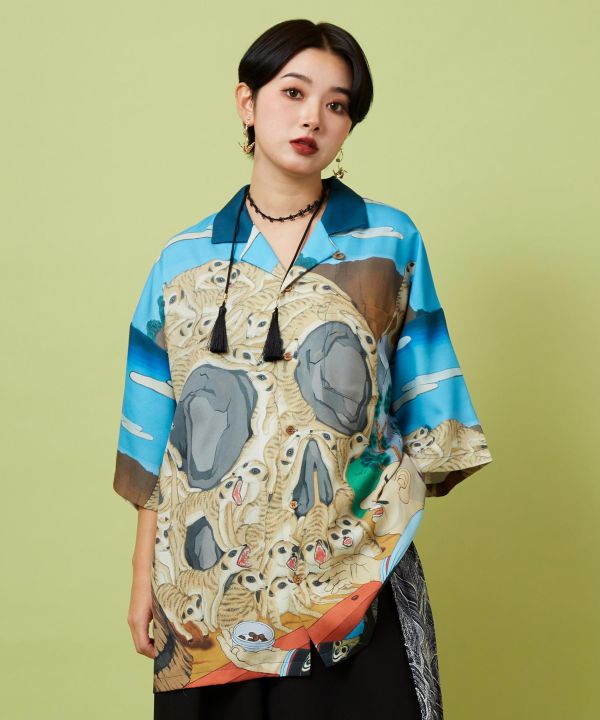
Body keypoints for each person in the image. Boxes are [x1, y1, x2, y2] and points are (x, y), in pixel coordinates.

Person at [112, 18, 493, 719]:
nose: (313, 116)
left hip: (353, 584)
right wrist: (144, 579)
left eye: (336, 104)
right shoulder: (180, 261)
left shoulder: (389, 241)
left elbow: (431, 416)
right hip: (205, 597)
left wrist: (369, 521)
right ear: (247, 102)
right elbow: (154, 441)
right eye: (293, 92)